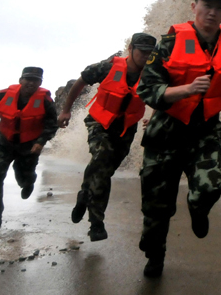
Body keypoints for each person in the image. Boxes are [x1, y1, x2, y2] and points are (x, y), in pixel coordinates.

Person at [136, 0, 221, 278]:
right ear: (193, 7)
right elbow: (146, 89)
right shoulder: (170, 43)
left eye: (219, 7)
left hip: (206, 128)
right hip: (167, 130)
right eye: (206, 5)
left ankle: (198, 209)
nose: (212, 12)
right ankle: (155, 255)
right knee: (156, 207)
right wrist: (185, 89)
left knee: (210, 188)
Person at [57, 33, 157, 241]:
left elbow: (159, 95)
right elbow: (80, 82)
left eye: (150, 53)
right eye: (142, 51)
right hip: (99, 122)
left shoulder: (152, 73)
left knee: (105, 170)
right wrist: (66, 110)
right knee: (102, 159)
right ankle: (97, 224)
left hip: (125, 129)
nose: (146, 57)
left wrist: (153, 117)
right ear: (131, 48)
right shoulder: (107, 67)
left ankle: (85, 193)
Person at [0, 67, 59, 229]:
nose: (31, 83)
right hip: (4, 143)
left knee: (23, 175)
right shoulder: (3, 95)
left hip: (30, 146)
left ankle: (28, 183)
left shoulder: (45, 100)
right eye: (28, 79)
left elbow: (52, 124)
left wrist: (41, 142)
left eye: (36, 80)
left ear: (40, 83)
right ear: (20, 80)